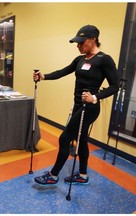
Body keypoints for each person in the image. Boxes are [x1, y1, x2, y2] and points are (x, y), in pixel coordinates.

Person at [33, 25, 119, 186]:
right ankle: (83, 175)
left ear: (93, 39)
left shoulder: (104, 59)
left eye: (81, 42)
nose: (78, 46)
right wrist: (44, 76)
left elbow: (115, 86)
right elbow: (63, 71)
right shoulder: (80, 59)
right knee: (83, 140)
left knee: (65, 138)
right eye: (77, 43)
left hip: (91, 107)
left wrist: (95, 97)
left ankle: (53, 175)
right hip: (78, 106)